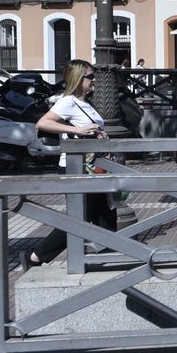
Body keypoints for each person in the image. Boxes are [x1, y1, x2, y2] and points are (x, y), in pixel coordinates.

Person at [28, 59, 115, 266]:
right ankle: (36, 256)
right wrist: (77, 130)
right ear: (78, 79)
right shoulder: (67, 102)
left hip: (93, 165)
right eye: (90, 77)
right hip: (77, 165)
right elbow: (43, 123)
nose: (94, 80)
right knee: (80, 216)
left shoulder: (85, 102)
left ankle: (111, 253)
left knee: (104, 212)